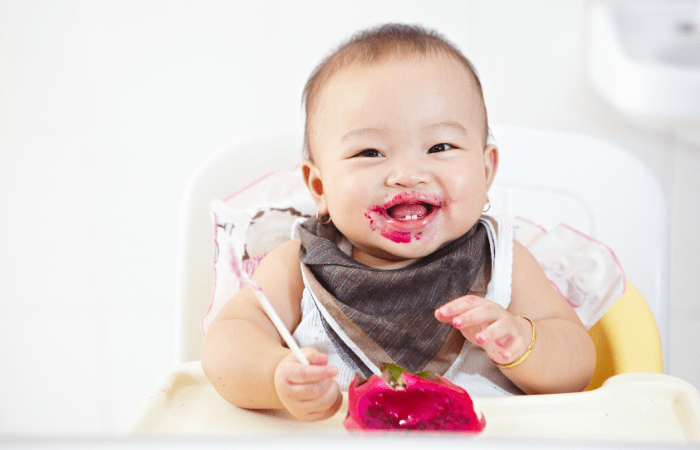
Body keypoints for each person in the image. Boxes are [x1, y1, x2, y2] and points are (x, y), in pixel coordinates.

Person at [201, 23, 596, 422]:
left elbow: (578, 363)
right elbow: (225, 345)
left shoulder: (502, 261)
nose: (408, 174)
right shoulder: (298, 267)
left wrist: (523, 341)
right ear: (319, 186)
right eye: (370, 152)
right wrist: (273, 375)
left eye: (440, 147)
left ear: (486, 168)